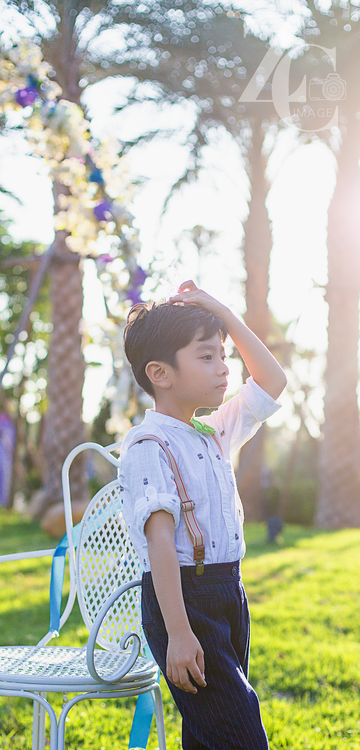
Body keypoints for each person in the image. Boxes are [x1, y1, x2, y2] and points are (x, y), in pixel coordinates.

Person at [119, 280, 287, 750]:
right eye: (206, 356)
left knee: (208, 733)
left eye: (223, 355)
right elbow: (159, 545)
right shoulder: (148, 446)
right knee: (240, 735)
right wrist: (178, 632)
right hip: (183, 601)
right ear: (161, 373)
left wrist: (223, 312)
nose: (224, 368)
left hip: (228, 592)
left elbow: (272, 382)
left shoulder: (212, 431)